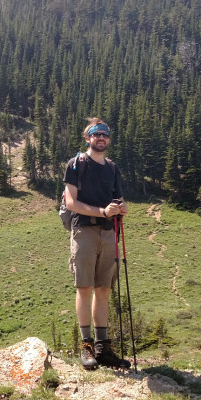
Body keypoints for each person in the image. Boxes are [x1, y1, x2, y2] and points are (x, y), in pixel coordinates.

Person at [63, 118, 131, 370]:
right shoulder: (76, 164)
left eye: (105, 134)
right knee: (84, 287)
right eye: (96, 134)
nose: (101, 138)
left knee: (104, 288)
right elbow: (71, 202)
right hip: (84, 230)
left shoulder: (113, 169)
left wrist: (122, 208)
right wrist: (103, 211)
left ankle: (103, 347)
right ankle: (86, 345)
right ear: (87, 138)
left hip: (109, 232)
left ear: (109, 140)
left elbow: (120, 200)